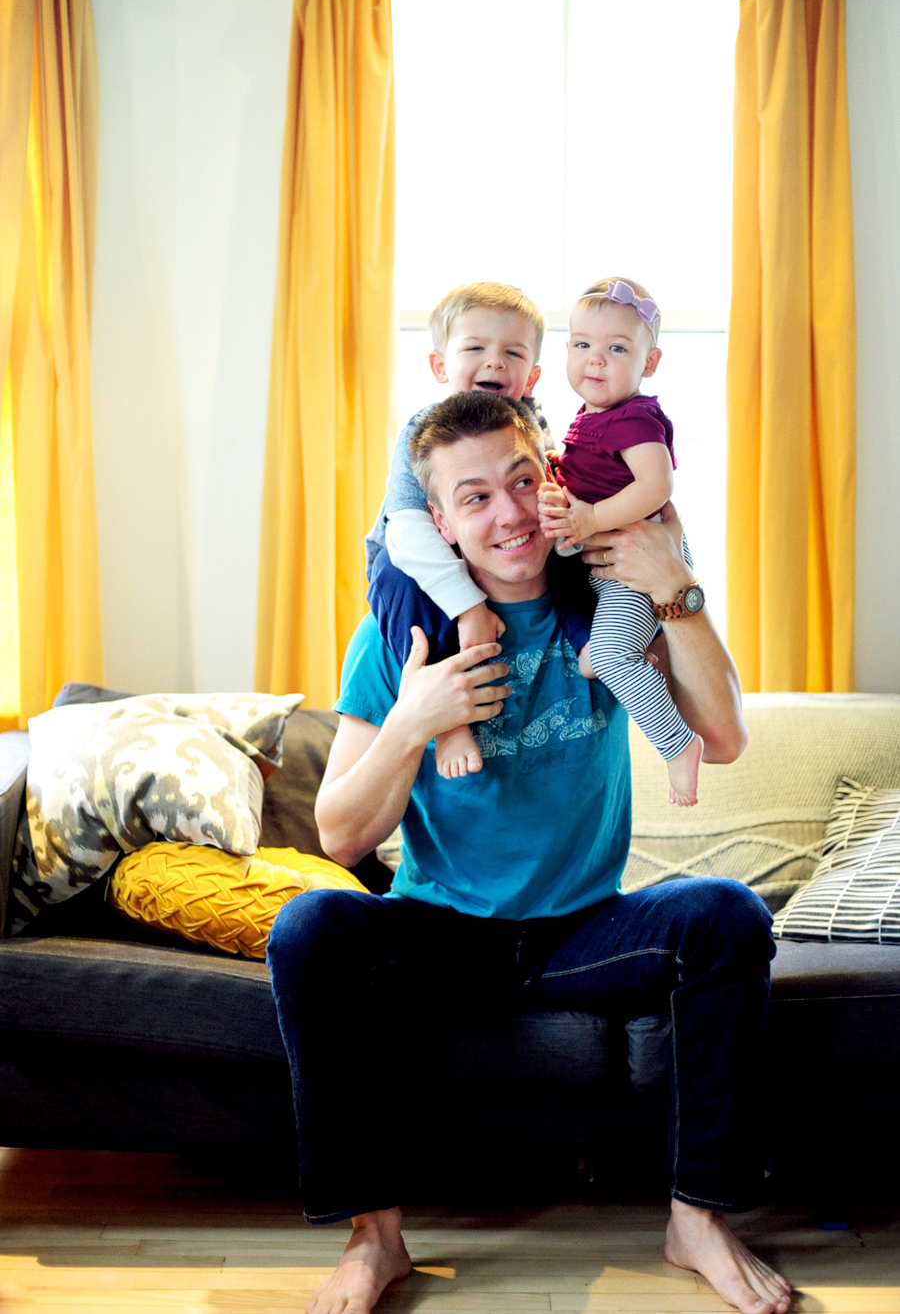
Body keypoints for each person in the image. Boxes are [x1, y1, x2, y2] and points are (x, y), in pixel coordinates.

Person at [267, 392, 792, 1314]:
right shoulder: (400, 634)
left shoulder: (607, 607)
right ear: (438, 524)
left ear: (551, 480)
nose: (508, 514)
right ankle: (373, 1237)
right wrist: (413, 722)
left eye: (520, 480)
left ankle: (698, 1217)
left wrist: (675, 581)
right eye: (473, 498)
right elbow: (341, 833)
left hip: (586, 931)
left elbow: (723, 735)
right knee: (311, 925)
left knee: (725, 915)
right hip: (442, 932)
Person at [365, 281, 592, 783]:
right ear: (440, 367)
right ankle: (447, 723)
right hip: (412, 558)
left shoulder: (534, 425)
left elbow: (557, 491)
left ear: (531, 375)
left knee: (579, 558)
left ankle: (588, 640)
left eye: (512, 352)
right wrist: (469, 609)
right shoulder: (424, 432)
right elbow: (407, 531)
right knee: (395, 579)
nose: (494, 363)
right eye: (474, 348)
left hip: (505, 570)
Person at [537, 276, 703, 807]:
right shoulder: (589, 418)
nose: (596, 361)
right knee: (592, 655)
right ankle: (634, 651)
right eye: (583, 345)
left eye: (617, 349)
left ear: (649, 363)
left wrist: (590, 519)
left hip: (642, 564)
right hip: (610, 566)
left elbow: (657, 486)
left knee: (607, 657)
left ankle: (678, 744)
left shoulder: (635, 417)